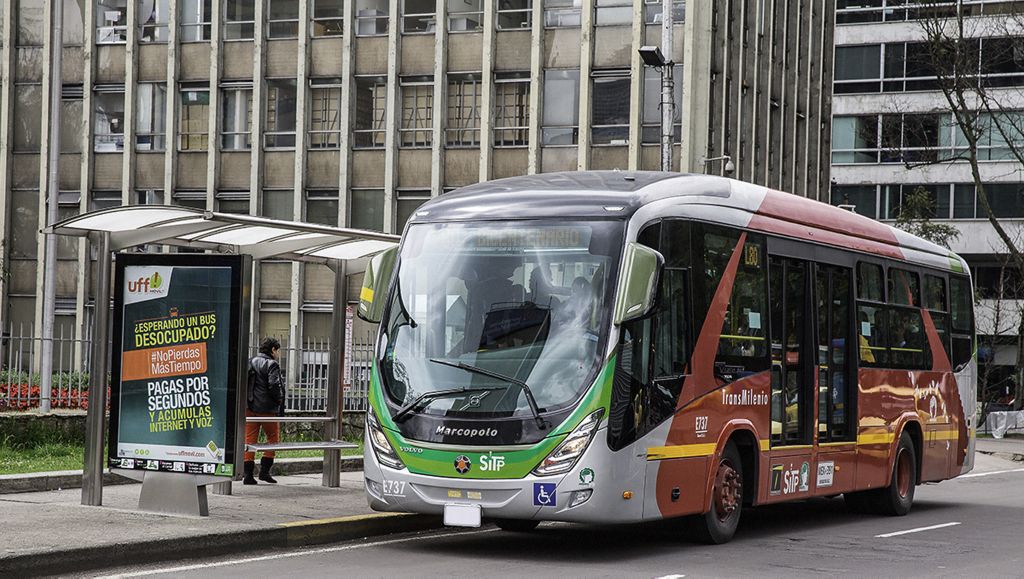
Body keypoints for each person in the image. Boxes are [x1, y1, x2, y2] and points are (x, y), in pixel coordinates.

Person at [245, 337, 286, 485]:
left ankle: (248, 475)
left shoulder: (250, 361)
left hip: (249, 408)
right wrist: (278, 400)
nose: (278, 354)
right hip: (267, 409)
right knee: (273, 439)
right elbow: (274, 385)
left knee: (249, 440)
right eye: (278, 350)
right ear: (273, 350)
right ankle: (264, 471)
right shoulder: (271, 364)